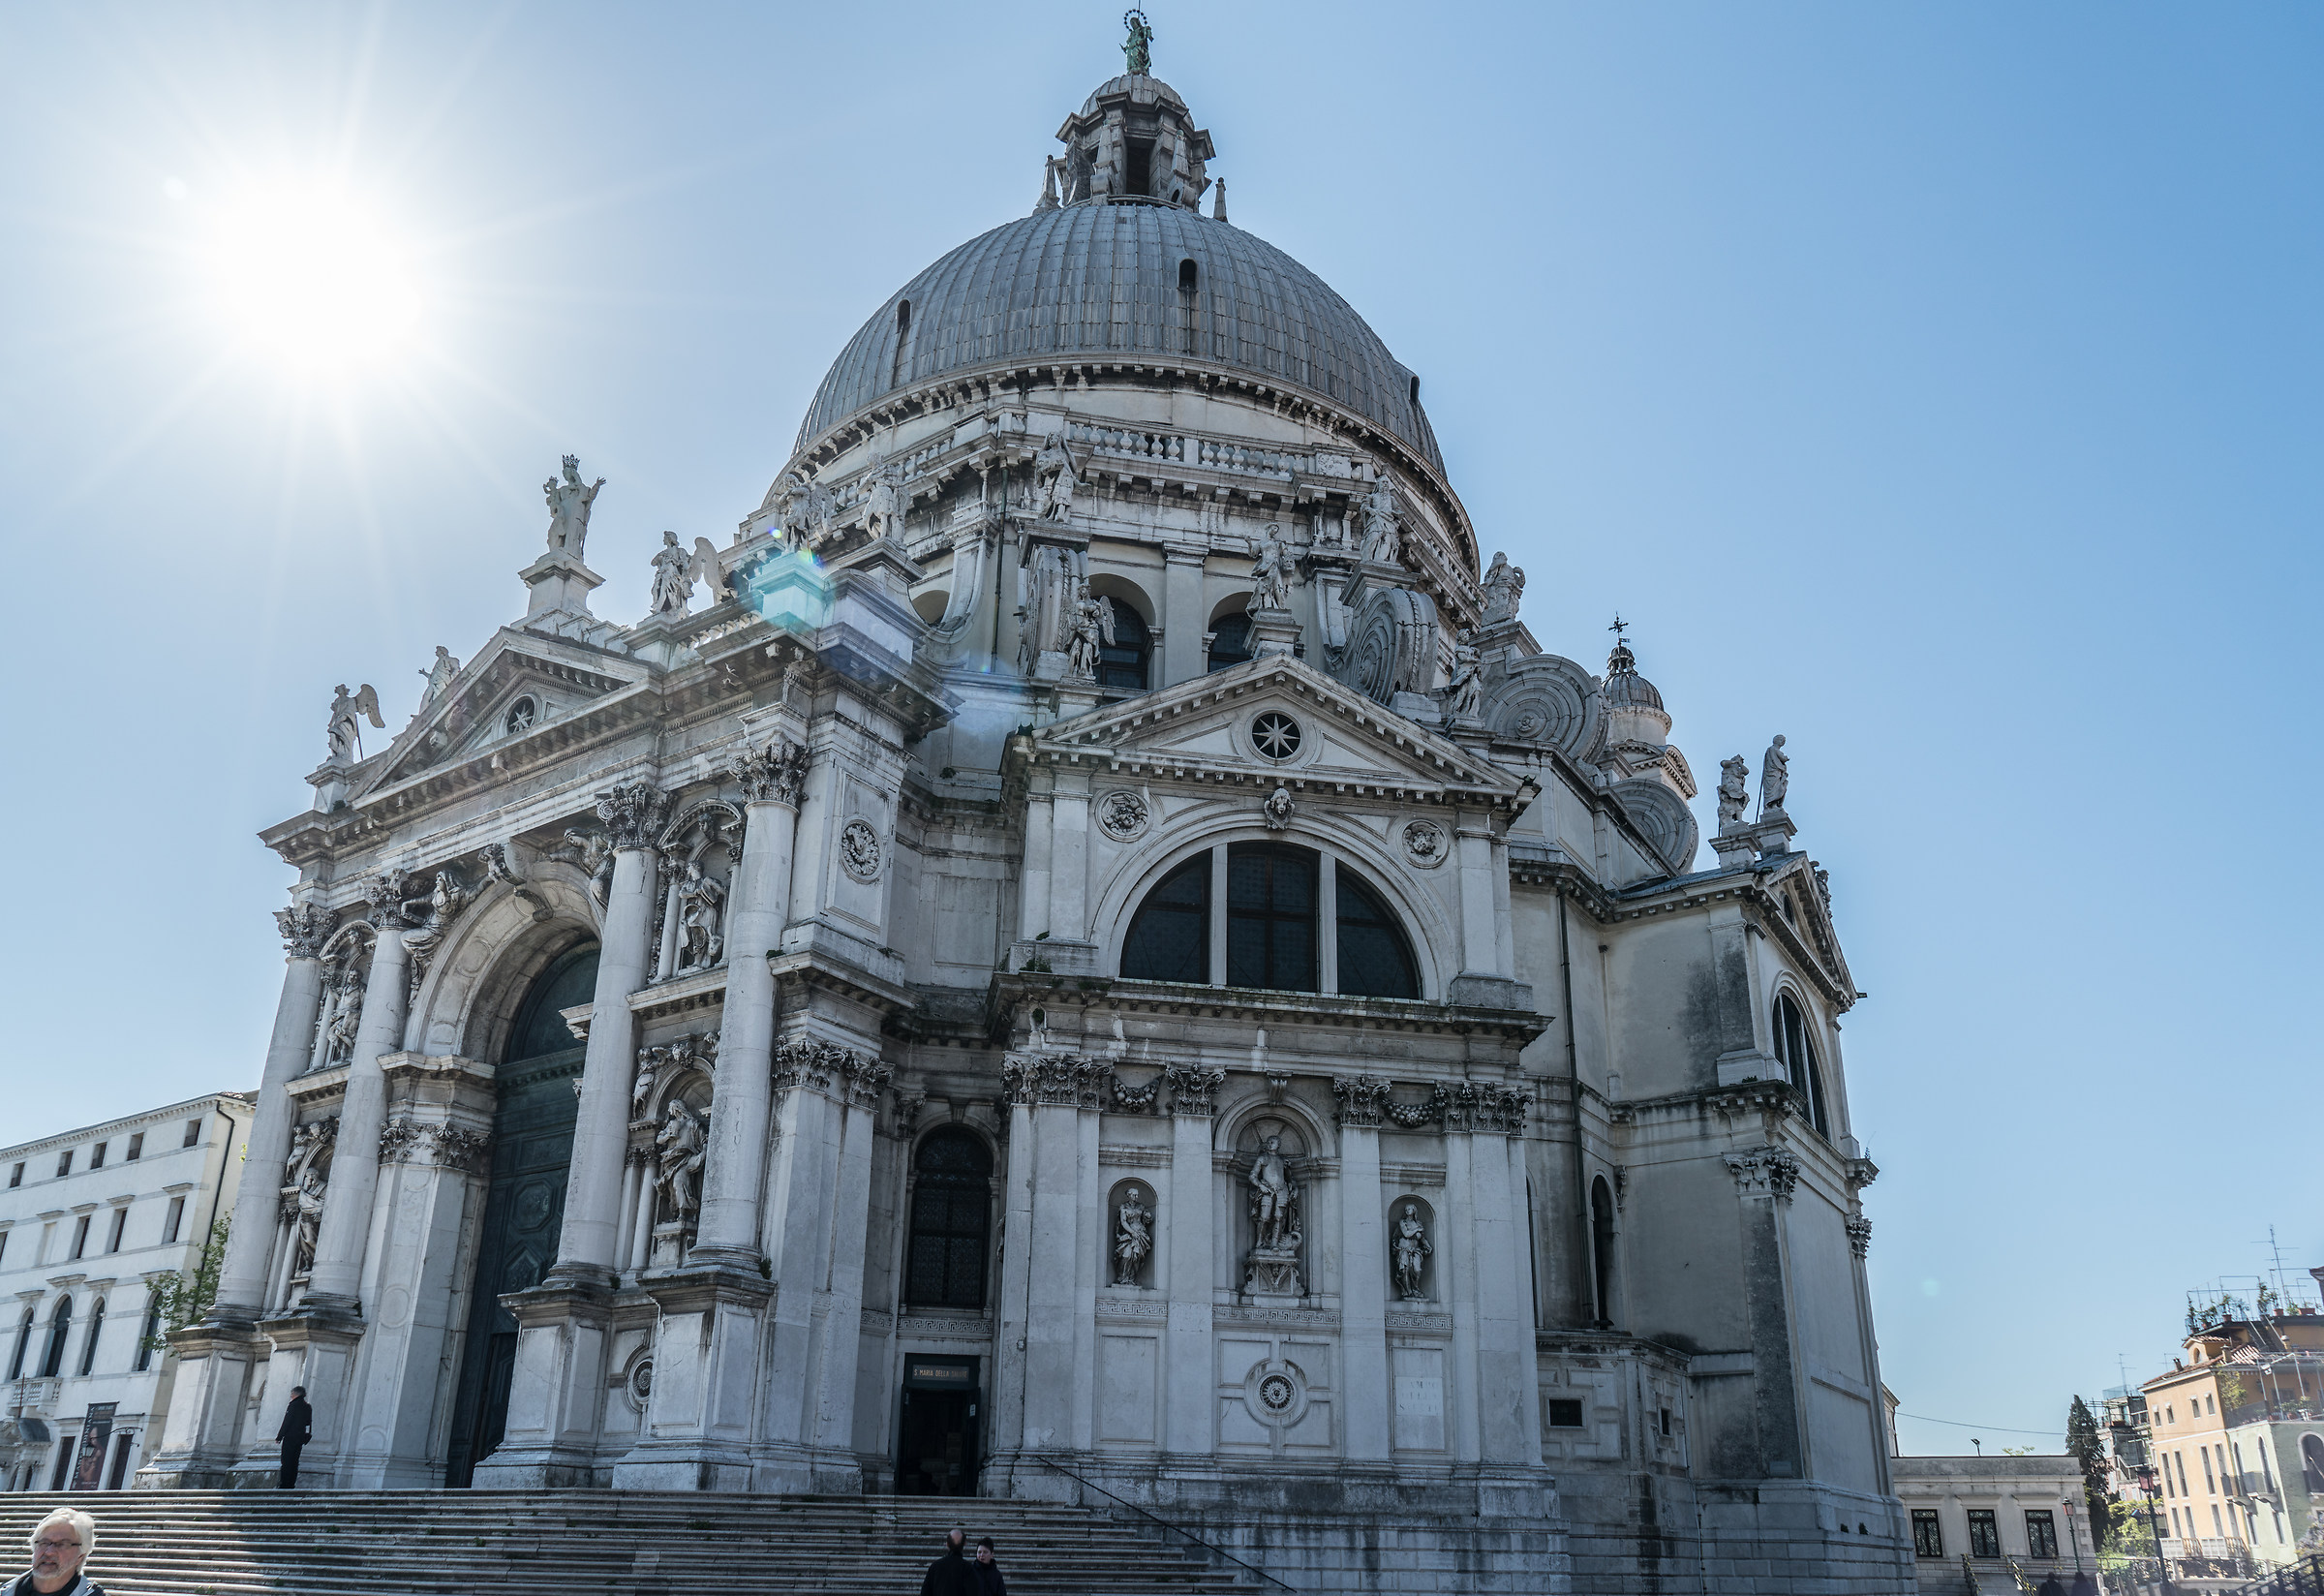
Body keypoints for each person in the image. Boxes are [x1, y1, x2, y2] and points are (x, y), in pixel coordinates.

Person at [11, 1507, 102, 1595]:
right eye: (44, 1543)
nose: (49, 1552)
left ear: (80, 1556)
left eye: (62, 1544)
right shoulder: (6, 1591)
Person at [917, 1528, 977, 1596]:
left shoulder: (935, 1566)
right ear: (964, 1544)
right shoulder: (968, 1568)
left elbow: (925, 1592)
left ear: (947, 1544)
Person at [277, 1385, 313, 1488]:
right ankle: (291, 1483)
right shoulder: (307, 1407)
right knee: (295, 1461)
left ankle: (285, 1484)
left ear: (296, 1394)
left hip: (290, 1437)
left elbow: (287, 1422)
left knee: (286, 1461)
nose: (291, 1396)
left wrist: (279, 1436)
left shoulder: (293, 1405)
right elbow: (308, 1422)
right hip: (300, 1437)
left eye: (292, 1394)